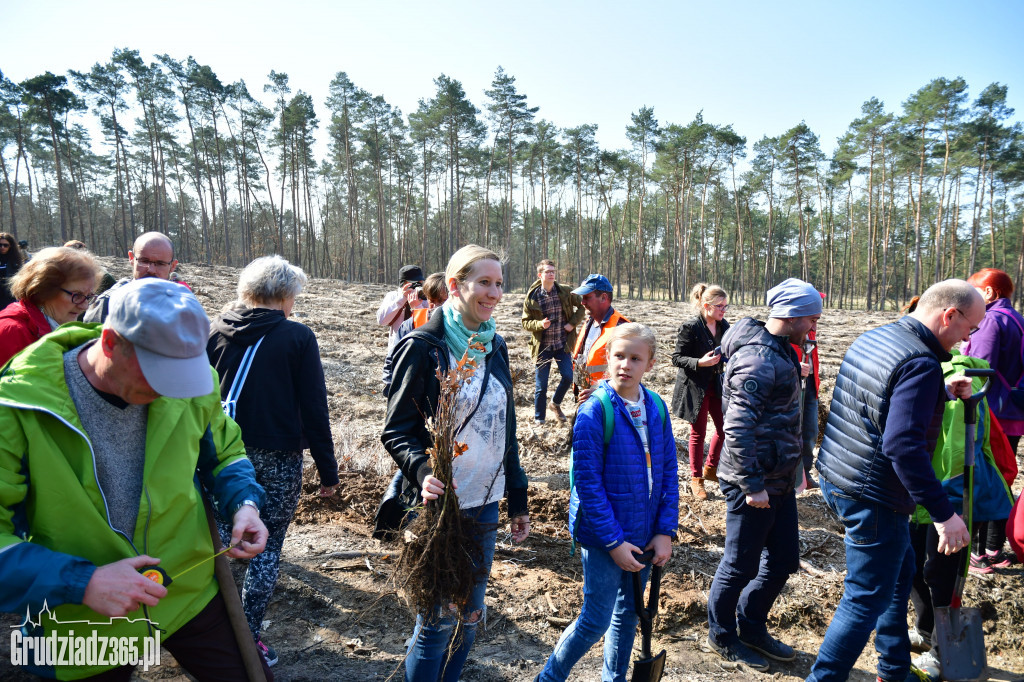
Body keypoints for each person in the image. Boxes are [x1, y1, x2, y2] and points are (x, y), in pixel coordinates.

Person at [0, 278, 272, 680]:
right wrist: (84, 581)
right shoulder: (17, 408)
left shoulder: (191, 384)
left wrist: (244, 504)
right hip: (81, 613)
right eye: (157, 375)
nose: (170, 393)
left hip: (188, 589)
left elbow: (226, 453)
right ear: (110, 343)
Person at [806, 279, 981, 682]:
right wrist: (943, 513)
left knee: (898, 576)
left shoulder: (882, 336)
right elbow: (902, 445)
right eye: (969, 329)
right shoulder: (919, 362)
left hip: (840, 473)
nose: (969, 341)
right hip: (875, 493)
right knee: (865, 597)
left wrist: (938, 391)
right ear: (948, 315)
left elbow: (880, 401)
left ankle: (894, 669)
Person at [381, 245, 529, 682]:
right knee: (437, 621)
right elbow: (396, 430)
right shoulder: (424, 346)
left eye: (499, 283)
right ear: (454, 286)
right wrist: (423, 474)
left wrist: (517, 499)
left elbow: (506, 430)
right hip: (438, 506)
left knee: (469, 616)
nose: (495, 292)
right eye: (484, 282)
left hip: (484, 501)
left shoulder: (494, 345)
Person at [206, 255, 340, 667]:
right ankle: (247, 641)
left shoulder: (214, 328)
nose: (295, 303)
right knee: (265, 549)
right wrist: (327, 469)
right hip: (277, 457)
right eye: (294, 295)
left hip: (218, 454)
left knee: (215, 545)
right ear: (284, 294)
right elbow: (315, 408)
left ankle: (207, 634)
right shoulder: (296, 337)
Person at [536, 323, 678, 682]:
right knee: (596, 618)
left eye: (635, 358)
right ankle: (549, 677)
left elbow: (668, 472)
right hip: (604, 539)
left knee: (629, 614)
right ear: (607, 358)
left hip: (644, 535)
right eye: (618, 356)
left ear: (650, 363)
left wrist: (665, 530)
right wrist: (613, 542)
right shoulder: (595, 411)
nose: (625, 365)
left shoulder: (657, 407)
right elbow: (588, 485)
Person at [706, 278, 821, 672]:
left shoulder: (780, 350)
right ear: (790, 315)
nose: (815, 324)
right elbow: (735, 430)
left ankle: (751, 623)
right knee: (739, 565)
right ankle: (722, 636)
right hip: (752, 481)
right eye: (810, 316)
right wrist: (752, 485)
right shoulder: (758, 358)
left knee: (785, 559)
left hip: (780, 478)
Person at [907, 350, 1014, 676]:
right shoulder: (920, 368)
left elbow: (955, 453)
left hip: (954, 497)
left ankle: (942, 652)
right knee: (914, 566)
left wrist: (948, 512)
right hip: (926, 494)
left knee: (943, 574)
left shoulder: (956, 377)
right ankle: (926, 630)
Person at [962, 267, 1023, 571]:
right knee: (1002, 477)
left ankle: (977, 553)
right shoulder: (1017, 319)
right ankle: (993, 548)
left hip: (992, 415)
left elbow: (977, 370)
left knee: (983, 479)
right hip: (1013, 414)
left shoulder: (990, 321)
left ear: (988, 293)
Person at [670, 282, 730, 500]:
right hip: (696, 387)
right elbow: (677, 358)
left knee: (725, 429)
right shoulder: (691, 327)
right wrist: (700, 362)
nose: (724, 310)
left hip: (717, 385)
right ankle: (696, 479)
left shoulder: (724, 326)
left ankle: (711, 467)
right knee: (698, 433)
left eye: (726, 306)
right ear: (707, 306)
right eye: (720, 306)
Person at [0, 246, 100, 366]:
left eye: (88, 296)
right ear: (43, 290)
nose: (84, 306)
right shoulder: (13, 332)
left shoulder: (58, 327)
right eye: (77, 295)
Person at [522, 259, 586, 424]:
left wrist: (572, 324)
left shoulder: (564, 292)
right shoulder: (532, 297)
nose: (551, 274)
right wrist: (539, 324)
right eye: (547, 272)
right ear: (540, 275)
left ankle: (555, 403)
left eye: (553, 271)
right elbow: (525, 322)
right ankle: (539, 420)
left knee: (568, 376)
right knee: (541, 386)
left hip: (561, 345)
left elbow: (582, 307)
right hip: (543, 347)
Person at [83, 231, 180, 323]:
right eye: (144, 261)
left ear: (173, 266)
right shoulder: (108, 303)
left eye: (160, 263)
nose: (151, 269)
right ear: (131, 258)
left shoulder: (182, 305)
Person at [381, 272, 448, 397]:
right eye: (432, 300)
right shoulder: (410, 324)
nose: (435, 306)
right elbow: (392, 359)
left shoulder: (465, 326)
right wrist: (391, 389)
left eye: (442, 301)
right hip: (414, 392)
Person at [571, 274, 629, 401]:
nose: (582, 302)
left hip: (610, 402)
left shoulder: (621, 328)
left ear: (603, 298)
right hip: (586, 398)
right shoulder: (590, 322)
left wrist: (600, 391)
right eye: (582, 297)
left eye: (587, 297)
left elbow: (629, 373)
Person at [376, 264, 429, 351]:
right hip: (397, 349)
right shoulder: (393, 296)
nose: (418, 286)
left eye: (420, 283)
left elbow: (428, 325)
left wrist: (418, 306)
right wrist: (402, 299)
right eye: (415, 283)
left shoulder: (424, 298)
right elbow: (382, 320)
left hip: (420, 349)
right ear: (404, 283)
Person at [0, 232, 25, 309]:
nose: (2, 247)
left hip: (10, 296)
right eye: (0, 245)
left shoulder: (16, 260)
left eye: (5, 245)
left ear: (10, 245)